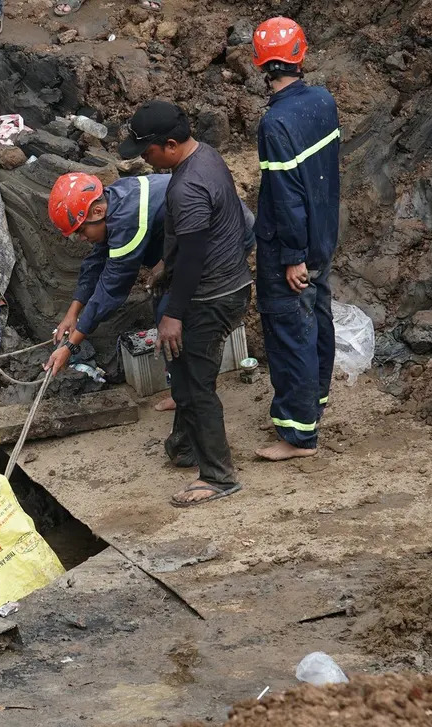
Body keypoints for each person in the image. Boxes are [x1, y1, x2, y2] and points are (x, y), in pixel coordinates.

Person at [117, 100, 252, 508]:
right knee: (189, 370)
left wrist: (173, 314)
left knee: (194, 384)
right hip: (227, 284)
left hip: (210, 296)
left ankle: (217, 475)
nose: (143, 159)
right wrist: (163, 266)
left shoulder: (187, 186)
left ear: (170, 144)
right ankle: (185, 446)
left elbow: (194, 255)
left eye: (147, 151)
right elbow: (192, 242)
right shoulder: (206, 157)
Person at [249, 17, 341, 462]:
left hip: (291, 246)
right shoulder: (323, 102)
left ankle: (298, 435)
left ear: (260, 64)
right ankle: (314, 404)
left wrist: (290, 257)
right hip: (322, 237)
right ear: (301, 55)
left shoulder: (275, 124)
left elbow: (286, 196)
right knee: (317, 319)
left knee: (291, 332)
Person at [43, 172, 171, 380]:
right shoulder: (113, 202)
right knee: (164, 302)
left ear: (98, 211)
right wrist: (72, 313)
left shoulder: (128, 220)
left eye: (82, 231)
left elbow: (112, 288)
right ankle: (182, 385)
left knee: (170, 312)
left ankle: (187, 392)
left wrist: (70, 346)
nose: (82, 238)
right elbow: (95, 263)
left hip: (217, 242)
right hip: (188, 239)